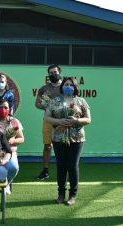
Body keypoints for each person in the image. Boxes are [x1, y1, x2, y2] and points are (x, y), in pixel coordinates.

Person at [44, 77, 91, 206]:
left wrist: (76, 121)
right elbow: (47, 117)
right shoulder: (54, 101)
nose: (68, 86)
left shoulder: (81, 101)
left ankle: (73, 195)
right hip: (58, 138)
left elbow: (88, 119)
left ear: (75, 87)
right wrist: (59, 121)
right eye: (66, 84)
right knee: (61, 165)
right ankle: (61, 194)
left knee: (73, 165)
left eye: (71, 85)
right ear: (62, 86)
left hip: (77, 138)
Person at [35, 64, 62, 180]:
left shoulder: (66, 86)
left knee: (63, 146)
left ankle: (64, 169)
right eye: (50, 73)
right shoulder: (44, 88)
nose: (53, 74)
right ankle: (45, 170)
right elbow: (37, 104)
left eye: (55, 72)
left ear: (60, 72)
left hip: (63, 121)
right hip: (48, 120)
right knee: (47, 146)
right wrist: (48, 108)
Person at [0, 99, 25, 194]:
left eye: (5, 107)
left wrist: (13, 140)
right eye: (0, 107)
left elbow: (21, 139)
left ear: (9, 109)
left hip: (10, 152)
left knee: (13, 167)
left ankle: (7, 183)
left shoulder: (14, 122)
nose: (3, 109)